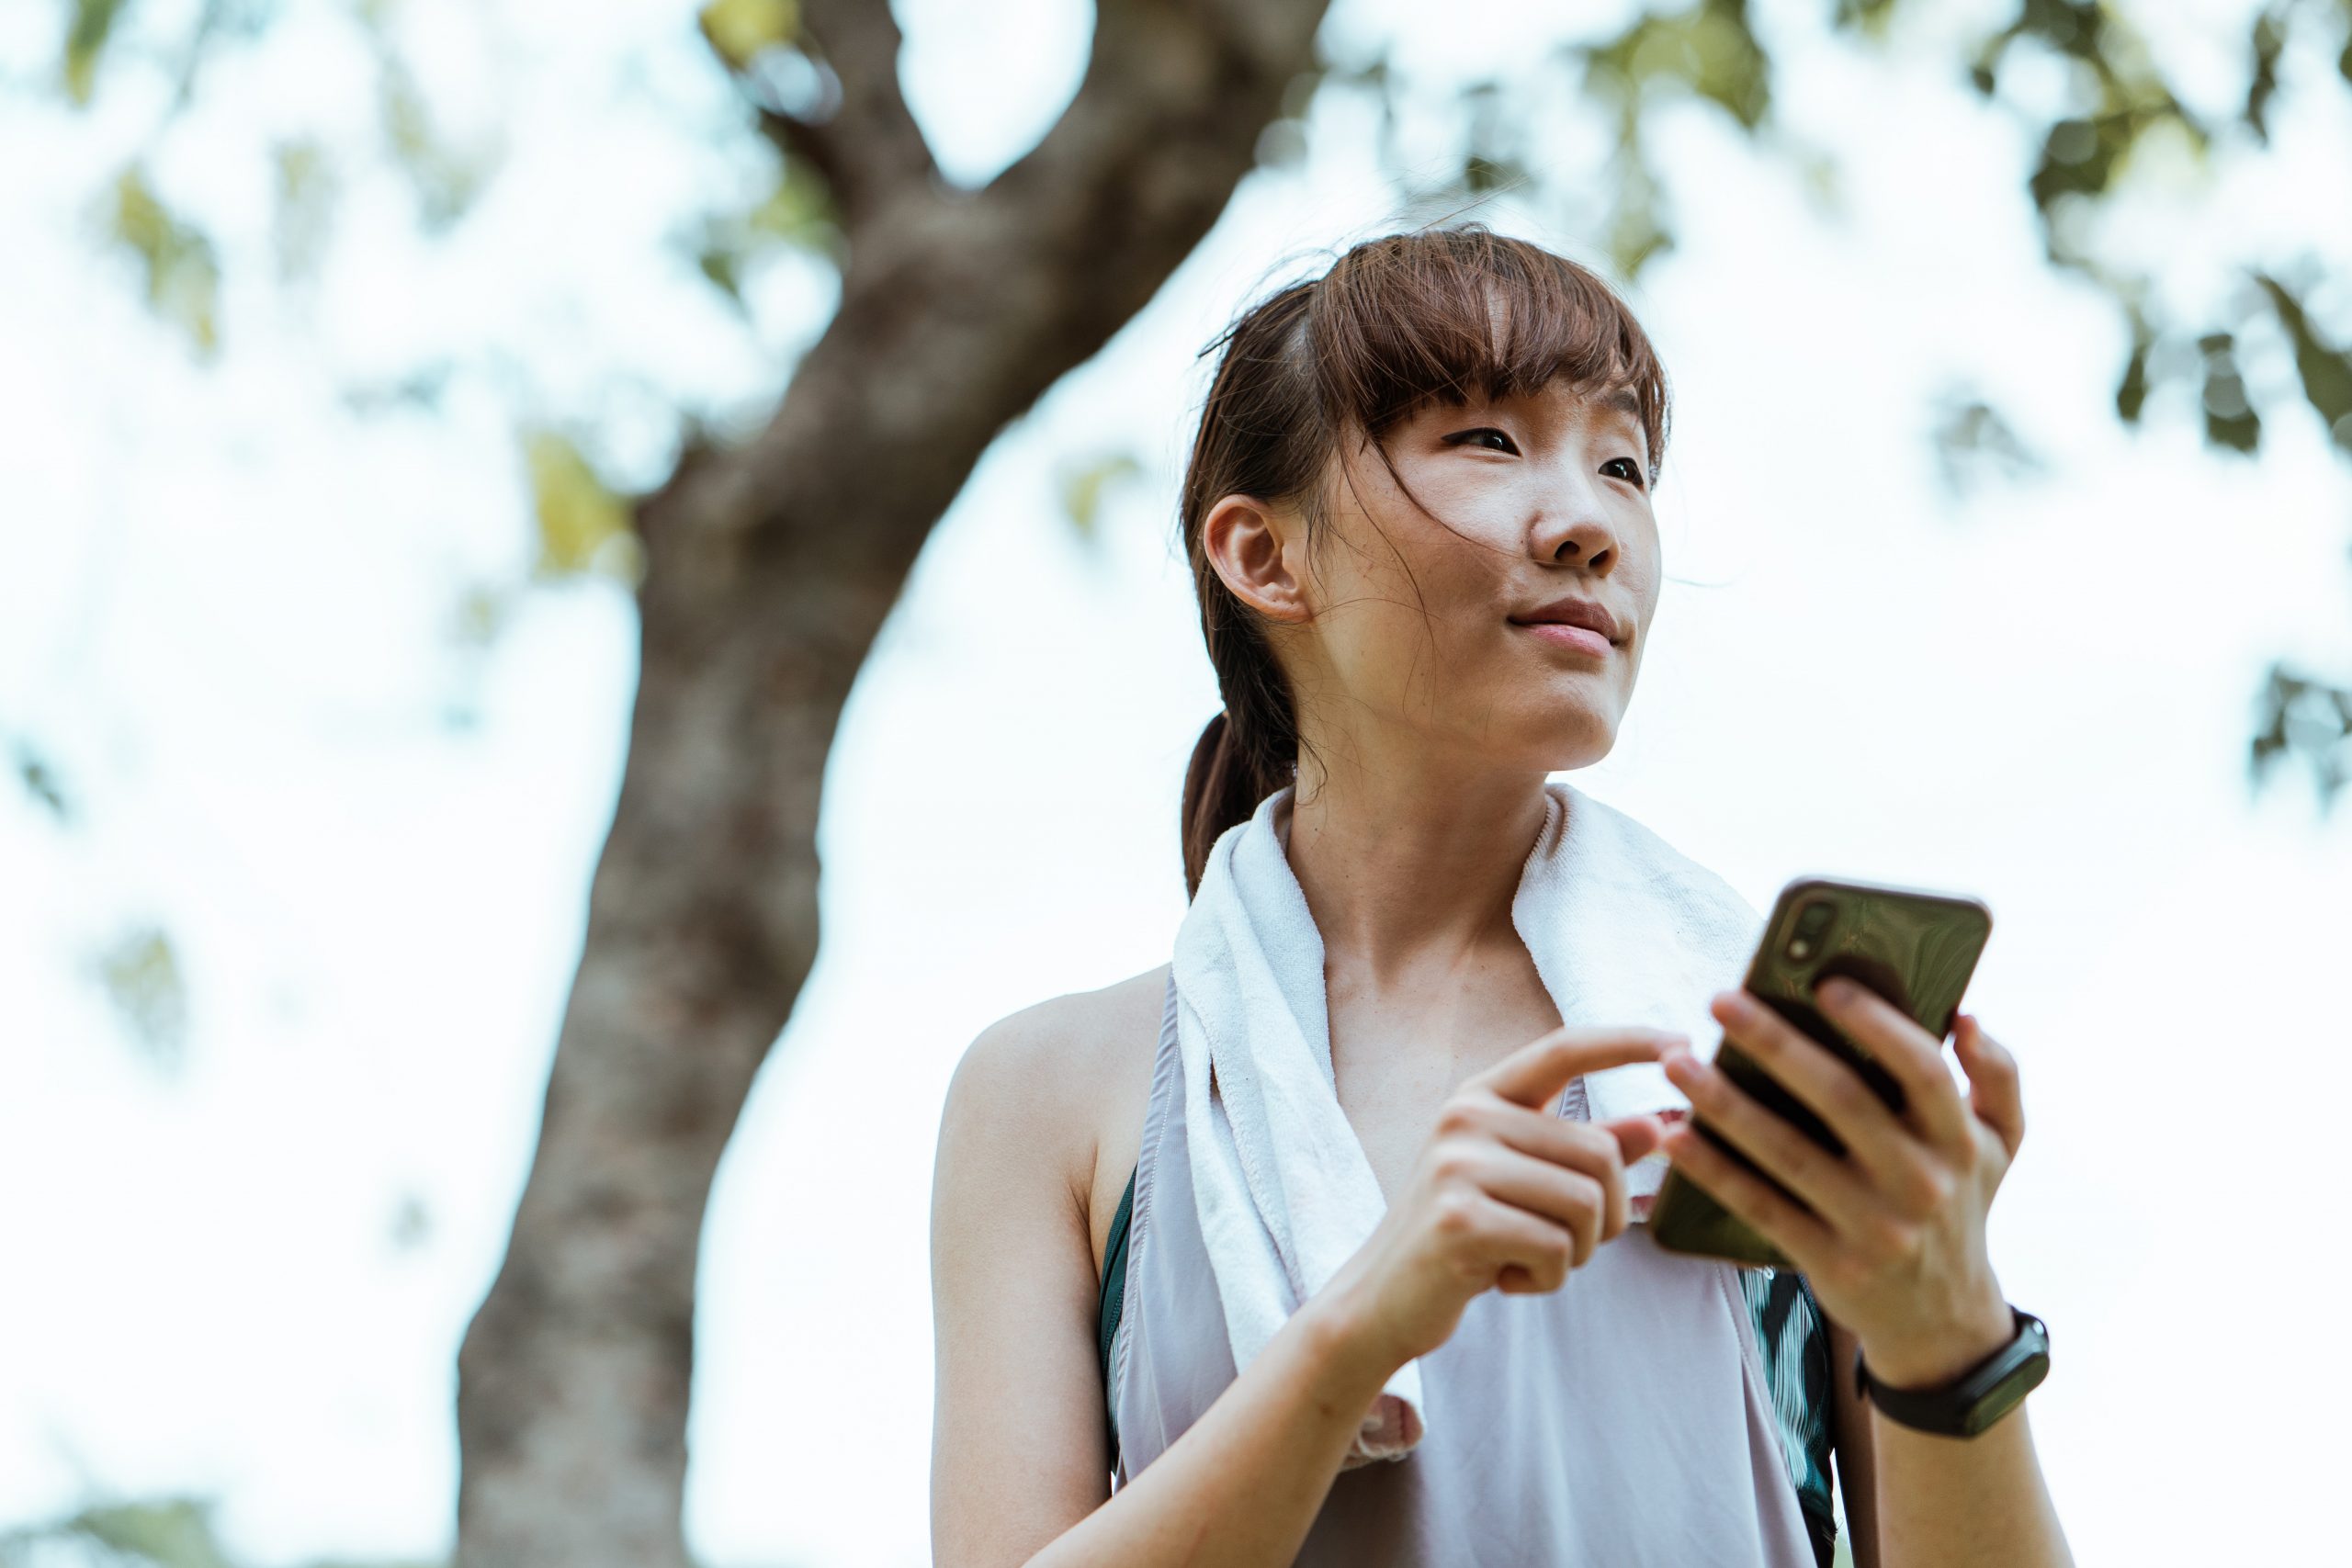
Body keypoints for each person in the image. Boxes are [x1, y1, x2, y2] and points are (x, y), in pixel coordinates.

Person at [928, 224, 2071, 1567]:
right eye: (1485, 440)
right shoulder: (1059, 1093)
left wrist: (1948, 1333)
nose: (1591, 522)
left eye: (1626, 465)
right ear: (1263, 555)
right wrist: (1362, 1330)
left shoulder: (1753, 1062)